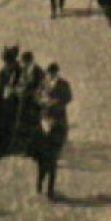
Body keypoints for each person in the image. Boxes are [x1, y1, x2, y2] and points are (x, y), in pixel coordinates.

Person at [35, 63, 72, 199]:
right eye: (49, 73)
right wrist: (43, 101)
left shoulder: (63, 84)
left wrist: (54, 102)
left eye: (53, 73)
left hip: (57, 124)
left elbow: (68, 98)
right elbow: (36, 97)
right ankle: (39, 186)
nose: (50, 75)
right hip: (44, 122)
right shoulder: (44, 83)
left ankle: (50, 189)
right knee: (42, 158)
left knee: (52, 158)